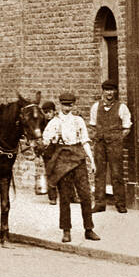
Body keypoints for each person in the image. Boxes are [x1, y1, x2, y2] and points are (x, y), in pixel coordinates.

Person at [42, 92, 100, 243]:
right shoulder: (54, 123)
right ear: (60, 105)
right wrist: (51, 140)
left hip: (78, 159)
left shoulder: (78, 121)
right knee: (65, 198)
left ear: (74, 105)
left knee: (86, 195)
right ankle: (66, 231)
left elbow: (85, 141)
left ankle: (89, 229)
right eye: (64, 104)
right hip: (62, 161)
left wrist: (92, 161)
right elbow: (45, 141)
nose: (67, 107)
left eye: (70, 104)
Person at [88, 81, 131, 214]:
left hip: (114, 145)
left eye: (112, 90)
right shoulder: (96, 107)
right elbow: (93, 125)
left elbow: (127, 128)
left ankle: (120, 203)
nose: (109, 93)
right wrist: (99, 135)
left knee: (117, 173)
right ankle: (100, 203)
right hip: (100, 144)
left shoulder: (121, 107)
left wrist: (117, 138)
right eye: (107, 90)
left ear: (115, 92)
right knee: (99, 173)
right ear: (103, 91)